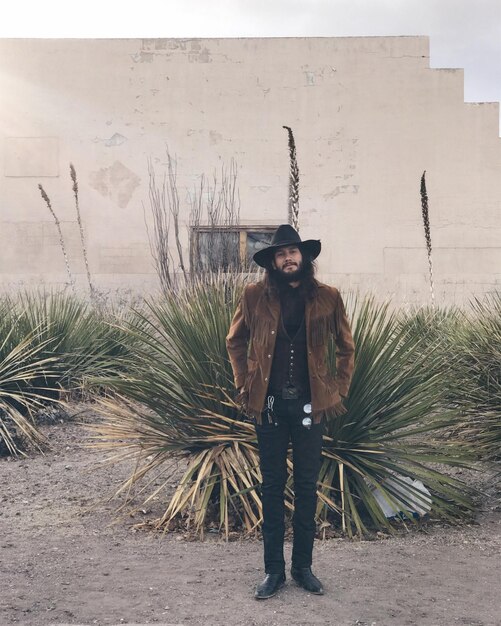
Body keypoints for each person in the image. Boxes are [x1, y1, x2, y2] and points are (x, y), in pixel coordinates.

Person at [226, 224, 355, 599]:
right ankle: (273, 572)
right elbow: (235, 341)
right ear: (273, 262)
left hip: (311, 408)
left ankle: (303, 567)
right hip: (267, 407)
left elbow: (346, 348)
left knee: (306, 489)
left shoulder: (328, 297)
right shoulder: (253, 296)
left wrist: (337, 391)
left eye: (293, 252)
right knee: (270, 488)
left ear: (304, 257)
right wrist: (243, 384)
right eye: (281, 254)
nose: (288, 258)